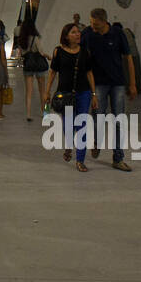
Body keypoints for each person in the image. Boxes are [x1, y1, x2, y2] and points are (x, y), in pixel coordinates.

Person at [83, 8, 136, 171]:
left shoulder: (118, 33)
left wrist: (132, 84)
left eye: (96, 24)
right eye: (91, 23)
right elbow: (84, 59)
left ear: (104, 21)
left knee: (119, 119)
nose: (93, 26)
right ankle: (97, 141)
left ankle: (118, 158)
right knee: (98, 115)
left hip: (117, 83)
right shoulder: (89, 34)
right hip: (98, 83)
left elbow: (128, 58)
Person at [50, 23, 97, 172]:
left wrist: (94, 94)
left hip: (83, 93)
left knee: (82, 125)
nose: (77, 34)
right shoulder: (58, 51)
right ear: (66, 36)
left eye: (78, 32)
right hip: (65, 95)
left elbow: (89, 73)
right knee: (67, 126)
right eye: (74, 32)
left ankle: (80, 160)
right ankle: (69, 146)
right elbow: (53, 72)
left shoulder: (85, 52)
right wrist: (47, 91)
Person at [16, 20, 50, 121]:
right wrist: (49, 56)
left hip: (28, 65)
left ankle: (28, 114)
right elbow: (41, 52)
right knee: (42, 91)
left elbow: (21, 54)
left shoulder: (21, 39)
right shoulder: (35, 38)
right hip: (38, 65)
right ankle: (45, 113)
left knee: (29, 91)